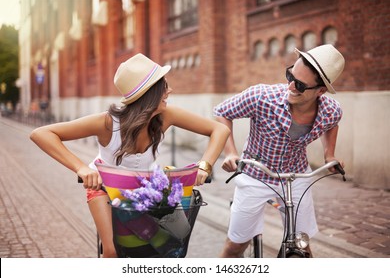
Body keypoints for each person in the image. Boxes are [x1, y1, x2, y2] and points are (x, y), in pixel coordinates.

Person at [30, 53, 230, 257]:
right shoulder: (108, 123)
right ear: (149, 94)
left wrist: (205, 166)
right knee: (113, 252)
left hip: (145, 191)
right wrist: (81, 168)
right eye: (164, 85)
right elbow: (41, 134)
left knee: (168, 246)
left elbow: (219, 130)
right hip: (105, 188)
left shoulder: (165, 116)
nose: (169, 90)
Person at [214, 44, 345, 258]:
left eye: (300, 85)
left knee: (301, 246)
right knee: (235, 245)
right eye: (289, 76)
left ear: (320, 91)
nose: (291, 86)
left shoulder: (331, 110)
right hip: (254, 175)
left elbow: (332, 124)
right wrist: (230, 152)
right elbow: (221, 112)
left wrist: (329, 155)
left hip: (296, 177)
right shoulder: (261, 97)